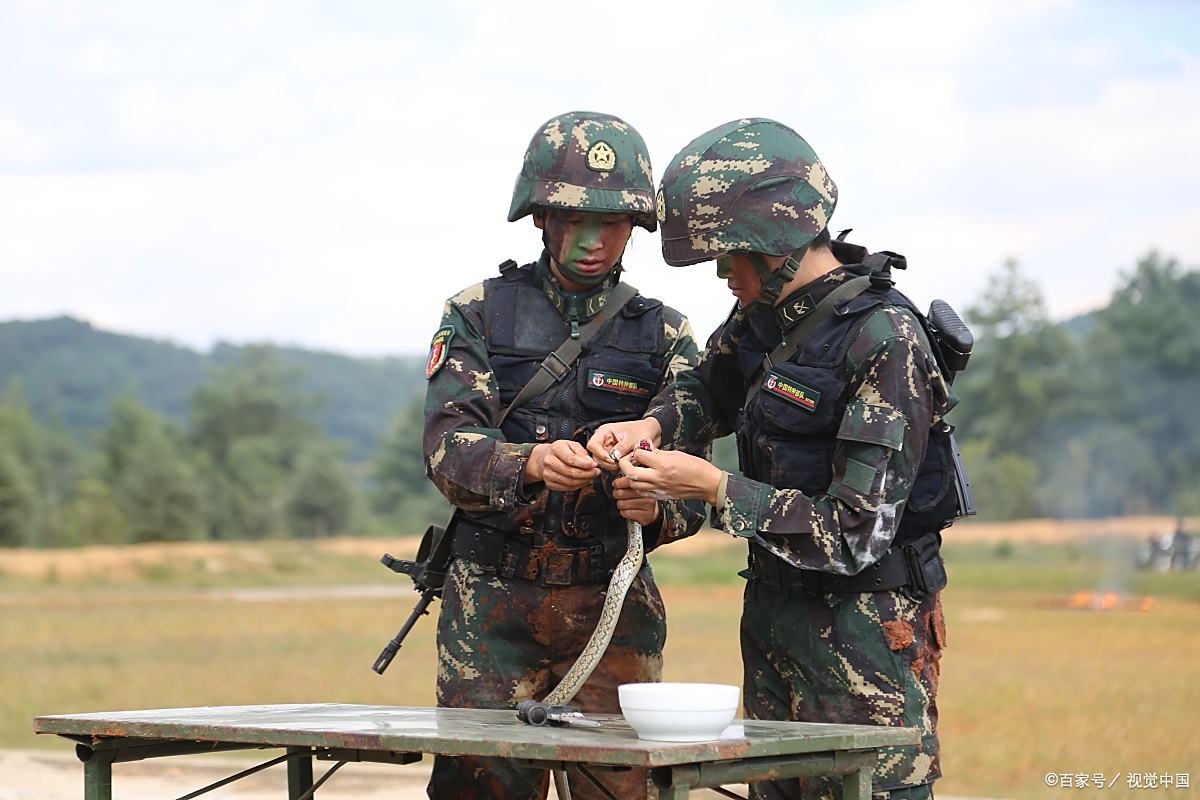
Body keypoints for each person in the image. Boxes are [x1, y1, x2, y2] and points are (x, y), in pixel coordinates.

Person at [588, 118, 959, 800]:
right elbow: (707, 389)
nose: (724, 273)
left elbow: (854, 534)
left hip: (865, 642)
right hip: (775, 626)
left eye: (730, 255)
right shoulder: (766, 318)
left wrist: (710, 485)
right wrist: (650, 424)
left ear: (775, 242)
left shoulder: (885, 340)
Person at [422, 111, 706, 800]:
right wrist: (529, 465)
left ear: (635, 226)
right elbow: (447, 450)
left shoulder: (665, 334)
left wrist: (658, 507)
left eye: (611, 223)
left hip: (613, 606)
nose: (592, 240)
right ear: (539, 216)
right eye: (572, 218)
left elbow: (699, 481)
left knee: (621, 791)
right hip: (492, 608)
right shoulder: (478, 313)